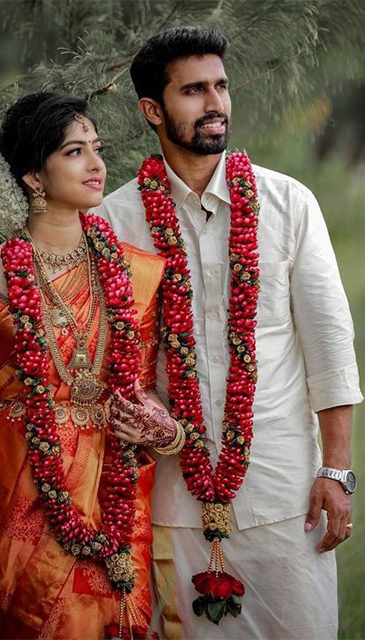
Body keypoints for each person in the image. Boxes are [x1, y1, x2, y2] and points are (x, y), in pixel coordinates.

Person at [94, 27, 363, 639]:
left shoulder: (288, 202)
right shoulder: (114, 219)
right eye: (194, 90)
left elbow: (328, 344)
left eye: (220, 86)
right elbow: (108, 360)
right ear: (152, 110)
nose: (215, 102)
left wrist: (337, 471)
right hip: (171, 504)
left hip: (285, 498)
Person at [0, 92, 186, 640]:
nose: (96, 163)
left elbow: (140, 390)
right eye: (74, 151)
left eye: (97, 148)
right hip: (24, 480)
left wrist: (166, 432)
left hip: (115, 484)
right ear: (33, 176)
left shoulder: (138, 272)